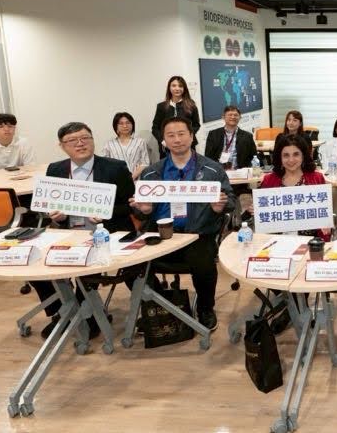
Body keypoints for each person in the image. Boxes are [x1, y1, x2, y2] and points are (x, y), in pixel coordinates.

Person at [32, 122, 135, 339]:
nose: (80, 143)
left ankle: (87, 314)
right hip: (69, 232)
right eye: (72, 140)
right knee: (37, 268)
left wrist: (108, 213)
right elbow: (51, 208)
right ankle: (61, 313)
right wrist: (58, 218)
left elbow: (130, 206)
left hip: (105, 233)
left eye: (85, 138)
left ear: (93, 140)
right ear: (62, 146)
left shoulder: (115, 167)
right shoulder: (55, 169)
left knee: (87, 264)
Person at [131, 117, 234, 331]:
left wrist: (219, 207)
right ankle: (158, 304)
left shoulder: (212, 170)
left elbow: (230, 201)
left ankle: (206, 307)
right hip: (159, 236)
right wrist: (144, 210)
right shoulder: (151, 172)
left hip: (197, 235)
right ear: (163, 141)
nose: (177, 139)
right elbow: (139, 211)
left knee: (204, 262)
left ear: (192, 136)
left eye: (181, 134)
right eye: (171, 135)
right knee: (132, 264)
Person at [260, 133, 331, 240]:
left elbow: (324, 213)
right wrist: (256, 209)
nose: (291, 160)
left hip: (310, 243)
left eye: (296, 154)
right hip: (276, 242)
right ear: (280, 157)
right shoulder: (269, 180)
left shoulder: (317, 178)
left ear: (303, 155)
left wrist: (326, 223)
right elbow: (264, 218)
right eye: (286, 155)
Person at [151, 75, 200, 154]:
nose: (177, 88)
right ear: (169, 88)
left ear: (184, 89)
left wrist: (188, 137)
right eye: (174, 86)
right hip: (167, 148)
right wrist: (163, 141)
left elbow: (196, 125)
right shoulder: (161, 106)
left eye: (180, 86)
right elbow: (155, 128)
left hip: (187, 146)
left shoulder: (191, 105)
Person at [101, 112, 150, 180]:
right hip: (115, 180)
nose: (125, 126)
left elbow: (145, 163)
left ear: (132, 125)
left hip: (136, 180)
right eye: (121, 123)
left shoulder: (140, 142)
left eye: (128, 123)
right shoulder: (109, 144)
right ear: (116, 126)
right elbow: (104, 164)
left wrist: (131, 178)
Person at [204, 106, 256, 170]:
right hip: (219, 172)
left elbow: (254, 157)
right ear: (223, 117)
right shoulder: (213, 134)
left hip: (239, 172)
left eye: (235, 115)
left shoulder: (247, 136)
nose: (233, 117)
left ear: (240, 117)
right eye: (230, 115)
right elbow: (208, 157)